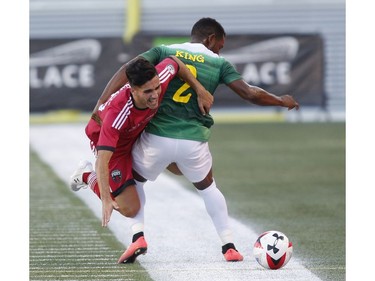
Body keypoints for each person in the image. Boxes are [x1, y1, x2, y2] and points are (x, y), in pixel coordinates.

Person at [91, 17, 300, 263]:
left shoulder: (165, 51)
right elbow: (249, 93)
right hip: (193, 142)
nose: (220, 50)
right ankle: (229, 245)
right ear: (210, 39)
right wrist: (280, 99)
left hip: (156, 139)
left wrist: (101, 101)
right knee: (208, 187)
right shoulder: (219, 64)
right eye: (220, 46)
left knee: (134, 180)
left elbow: (129, 68)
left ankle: (138, 236)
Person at [70, 56, 213, 263]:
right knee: (129, 208)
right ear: (133, 89)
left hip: (137, 134)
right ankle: (85, 176)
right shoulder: (116, 115)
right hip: (113, 148)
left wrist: (200, 89)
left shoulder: (159, 78)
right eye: (148, 92)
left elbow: (175, 62)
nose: (155, 95)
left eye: (156, 88)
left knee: (180, 166)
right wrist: (105, 198)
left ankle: (137, 236)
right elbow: (103, 160)